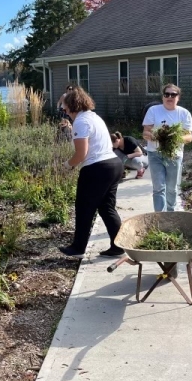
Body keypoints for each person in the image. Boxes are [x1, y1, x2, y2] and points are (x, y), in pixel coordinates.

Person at [57, 87, 125, 258]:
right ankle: (119, 246)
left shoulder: (81, 121)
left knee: (84, 208)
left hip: (97, 169)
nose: (64, 112)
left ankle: (78, 248)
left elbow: (81, 154)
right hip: (113, 164)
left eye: (64, 108)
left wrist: (67, 165)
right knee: (106, 207)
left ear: (72, 106)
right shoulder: (94, 117)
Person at [141, 83, 192, 212]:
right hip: (155, 154)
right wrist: (156, 136)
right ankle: (160, 216)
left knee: (172, 188)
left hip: (174, 155)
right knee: (158, 187)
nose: (169, 97)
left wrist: (172, 138)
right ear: (163, 97)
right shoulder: (153, 110)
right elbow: (146, 132)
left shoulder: (184, 113)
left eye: (173, 94)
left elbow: (188, 137)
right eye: (166, 94)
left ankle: (171, 213)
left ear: (178, 97)